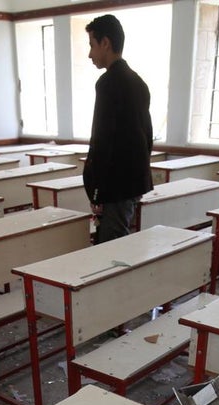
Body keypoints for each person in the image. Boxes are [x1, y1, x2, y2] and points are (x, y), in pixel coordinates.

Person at [83, 14, 154, 244]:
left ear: (106, 43)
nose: (90, 54)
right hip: (132, 183)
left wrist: (96, 191)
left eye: (92, 45)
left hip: (115, 186)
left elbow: (102, 142)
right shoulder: (138, 82)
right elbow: (148, 136)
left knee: (111, 248)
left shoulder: (108, 84)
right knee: (119, 240)